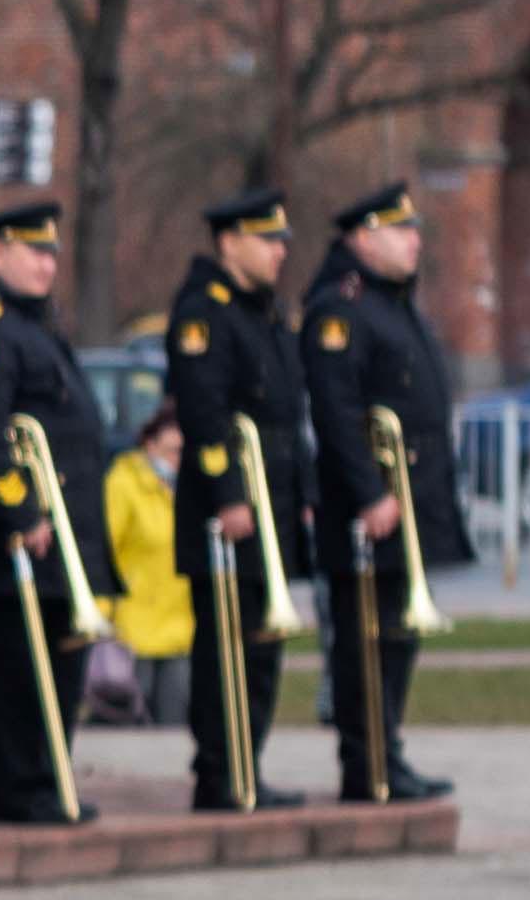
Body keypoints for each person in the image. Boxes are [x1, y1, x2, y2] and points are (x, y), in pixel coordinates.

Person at [299, 181, 467, 806]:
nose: (414, 239)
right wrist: (371, 493)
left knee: (398, 637)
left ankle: (386, 752)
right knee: (365, 637)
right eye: (401, 230)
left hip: (410, 502)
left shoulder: (393, 304)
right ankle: (365, 761)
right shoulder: (341, 309)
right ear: (363, 237)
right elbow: (338, 412)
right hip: (371, 509)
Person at [0, 199, 111, 820]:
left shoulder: (37, 324)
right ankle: (21, 789)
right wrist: (19, 513)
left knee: (61, 669)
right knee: (20, 671)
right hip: (27, 535)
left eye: (52, 252)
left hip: (65, 532)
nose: (49, 263)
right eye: (34, 251)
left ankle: (50, 780)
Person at [160, 187, 311, 814]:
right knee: (226, 647)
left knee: (262, 650)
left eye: (282, 240)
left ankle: (249, 763)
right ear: (229, 243)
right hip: (229, 506)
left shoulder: (264, 311)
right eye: (267, 240)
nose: (280, 252)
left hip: (271, 497)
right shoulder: (206, 312)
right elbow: (204, 412)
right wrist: (229, 495)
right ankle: (220, 773)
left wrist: (301, 494)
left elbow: (284, 412)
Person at [102, 406, 194, 722]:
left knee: (174, 723)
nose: (177, 459)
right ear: (149, 446)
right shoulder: (124, 483)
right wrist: (102, 614)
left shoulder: (188, 490)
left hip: (179, 628)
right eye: (171, 451)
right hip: (133, 628)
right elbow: (107, 548)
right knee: (130, 723)